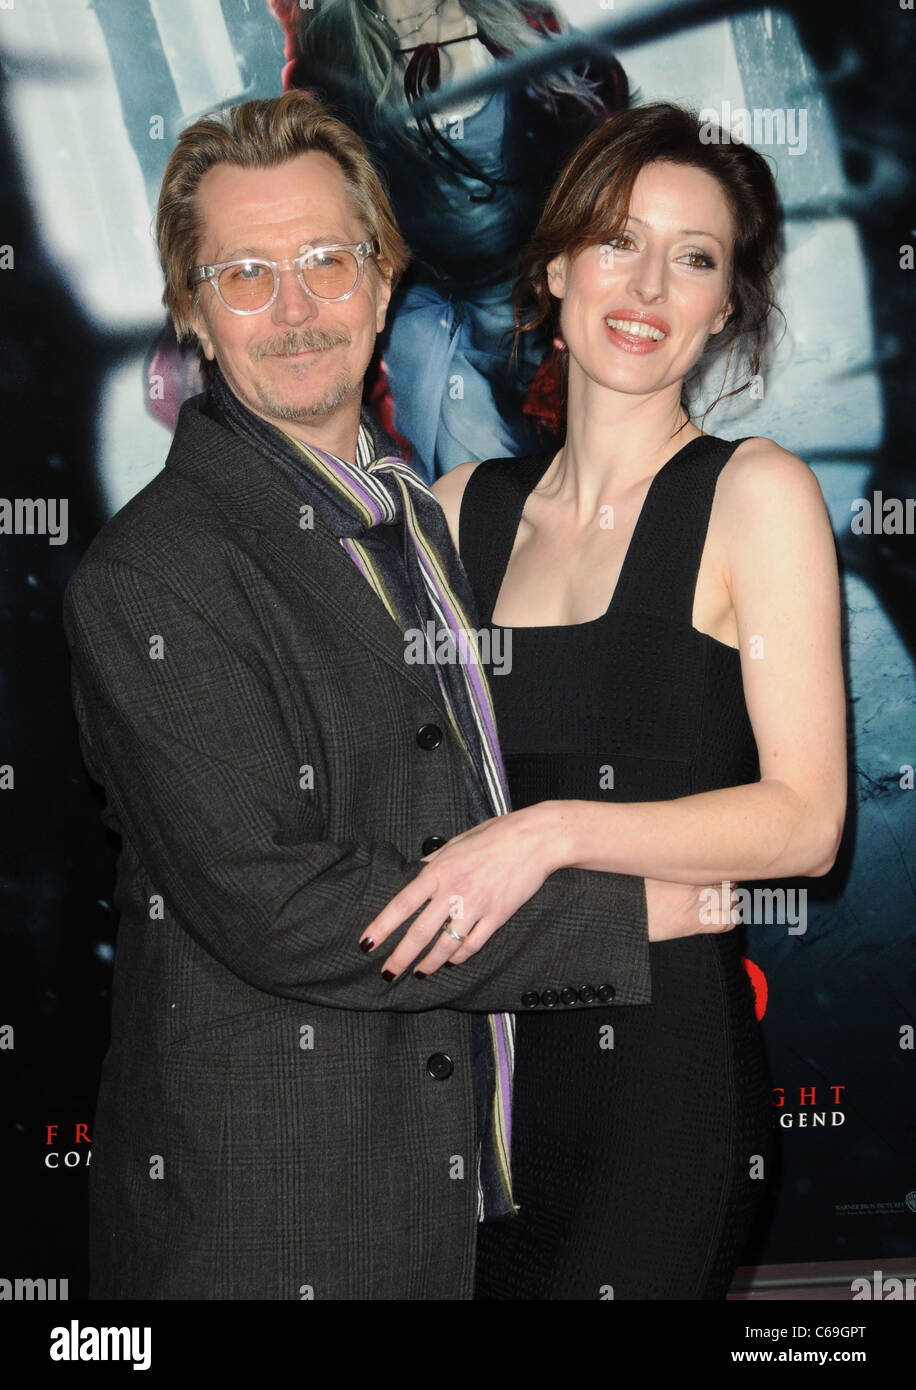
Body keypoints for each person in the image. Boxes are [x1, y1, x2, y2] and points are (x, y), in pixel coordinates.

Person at [63, 93, 731, 1301]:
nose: (296, 307)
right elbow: (277, 905)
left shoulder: (419, 514)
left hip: (449, 1197)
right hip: (272, 1220)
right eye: (246, 273)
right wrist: (627, 914)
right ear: (192, 315)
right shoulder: (154, 571)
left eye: (326, 260)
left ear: (383, 283)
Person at [366, 102, 847, 1298]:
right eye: (618, 241)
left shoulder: (754, 495)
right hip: (468, 1102)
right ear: (555, 266)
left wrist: (551, 830)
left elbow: (804, 822)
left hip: (663, 1095)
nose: (647, 286)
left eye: (694, 257)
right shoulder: (463, 504)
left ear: (726, 305)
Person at [270, 0, 628, 479]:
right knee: (464, 425)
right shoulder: (334, 64)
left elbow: (608, 155)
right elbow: (314, 211)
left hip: (539, 298)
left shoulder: (520, 26)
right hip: (427, 311)